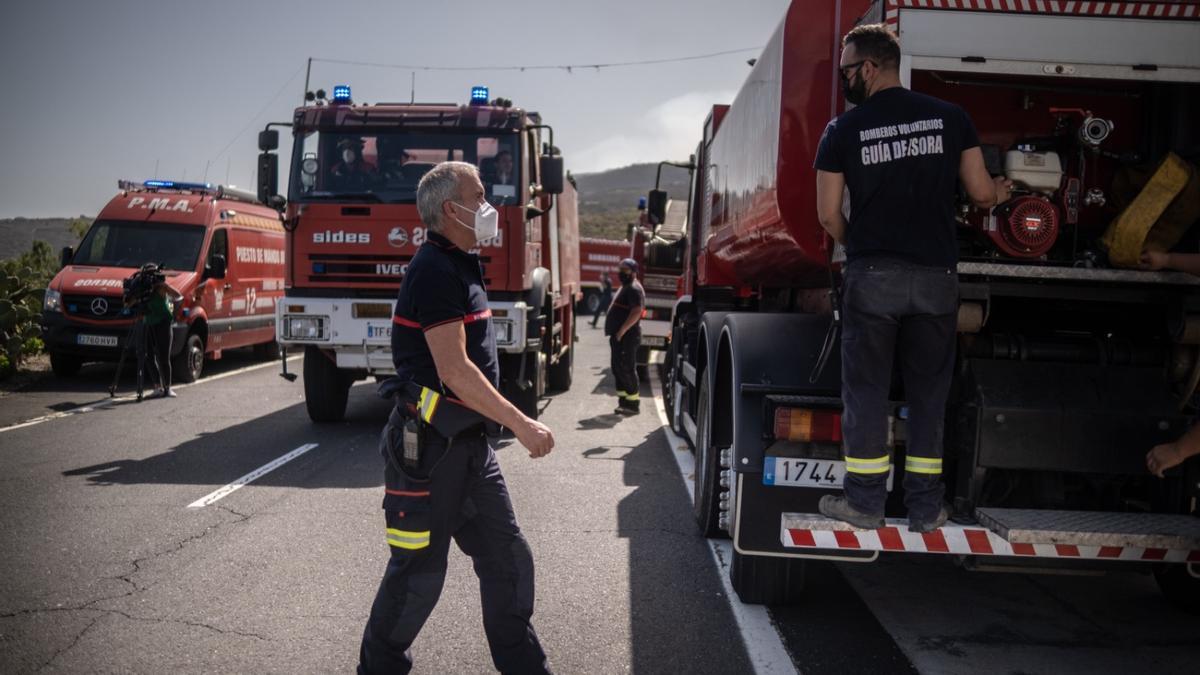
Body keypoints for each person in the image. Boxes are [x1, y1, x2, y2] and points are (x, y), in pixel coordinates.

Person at [812, 24, 1011, 533]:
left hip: (873, 274)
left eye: (846, 70)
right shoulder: (951, 119)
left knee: (867, 391)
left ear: (870, 67)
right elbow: (982, 195)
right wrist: (1002, 192)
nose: (844, 79)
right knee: (928, 394)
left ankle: (864, 503)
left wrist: (864, 249)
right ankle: (925, 509)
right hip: (936, 277)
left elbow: (828, 216)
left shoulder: (842, 131)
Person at [358, 161, 554, 675]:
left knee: (508, 562)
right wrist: (522, 424)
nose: (490, 207)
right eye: (480, 195)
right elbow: (455, 370)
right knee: (418, 576)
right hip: (426, 453)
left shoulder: (462, 262)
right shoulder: (433, 270)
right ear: (452, 209)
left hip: (469, 449)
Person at [605, 259, 644, 416]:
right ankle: (623, 402)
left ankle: (633, 404)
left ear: (634, 272)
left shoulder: (634, 288)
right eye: (621, 269)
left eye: (626, 270)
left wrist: (622, 330)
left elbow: (636, 311)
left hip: (627, 336)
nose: (622, 273)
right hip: (619, 336)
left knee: (626, 368)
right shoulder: (626, 287)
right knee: (617, 367)